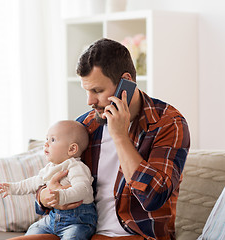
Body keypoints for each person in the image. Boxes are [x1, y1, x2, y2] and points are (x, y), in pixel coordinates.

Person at [10, 38, 190, 240]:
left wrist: (120, 136)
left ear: (126, 83)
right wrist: (44, 197)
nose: (90, 101)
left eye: (97, 91)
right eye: (87, 91)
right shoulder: (86, 125)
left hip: (138, 235)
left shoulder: (167, 123)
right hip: (79, 230)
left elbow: (153, 198)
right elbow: (50, 178)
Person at [0, 120, 97, 240]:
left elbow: (83, 189)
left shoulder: (76, 166)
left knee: (74, 236)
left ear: (72, 149)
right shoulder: (50, 168)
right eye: (46, 139)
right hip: (53, 219)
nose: (46, 144)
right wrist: (13, 188)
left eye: (53, 140)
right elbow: (34, 182)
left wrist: (60, 196)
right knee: (34, 229)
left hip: (78, 221)